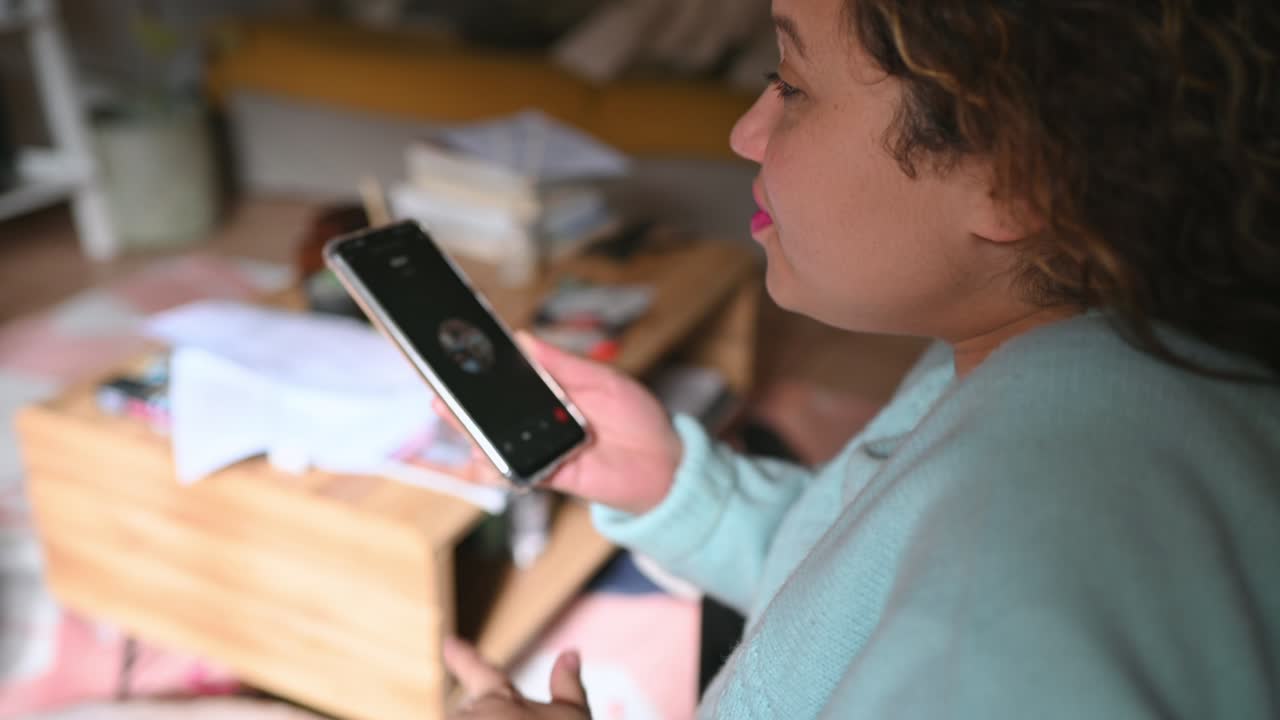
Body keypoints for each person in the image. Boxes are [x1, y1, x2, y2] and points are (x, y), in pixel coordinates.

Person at [439, 0, 1280, 717]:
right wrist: (681, 491)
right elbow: (858, 589)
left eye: (794, 87)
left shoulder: (1042, 557)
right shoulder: (1059, 357)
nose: (746, 132)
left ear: (1021, 177)